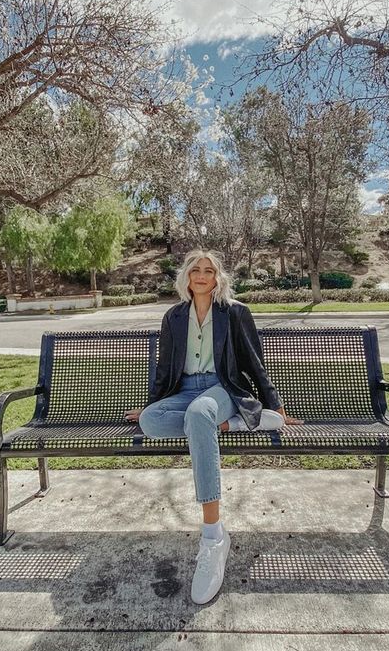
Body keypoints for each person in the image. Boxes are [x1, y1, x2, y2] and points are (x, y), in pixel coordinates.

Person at [124, 248, 303, 605]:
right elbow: (164, 370)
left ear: (218, 277)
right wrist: (150, 403)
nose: (203, 275)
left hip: (221, 389)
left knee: (199, 413)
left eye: (209, 270)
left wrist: (277, 407)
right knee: (151, 421)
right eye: (196, 270)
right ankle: (237, 423)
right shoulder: (173, 317)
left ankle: (212, 536)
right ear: (187, 278)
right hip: (186, 390)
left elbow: (254, 362)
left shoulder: (235, 313)